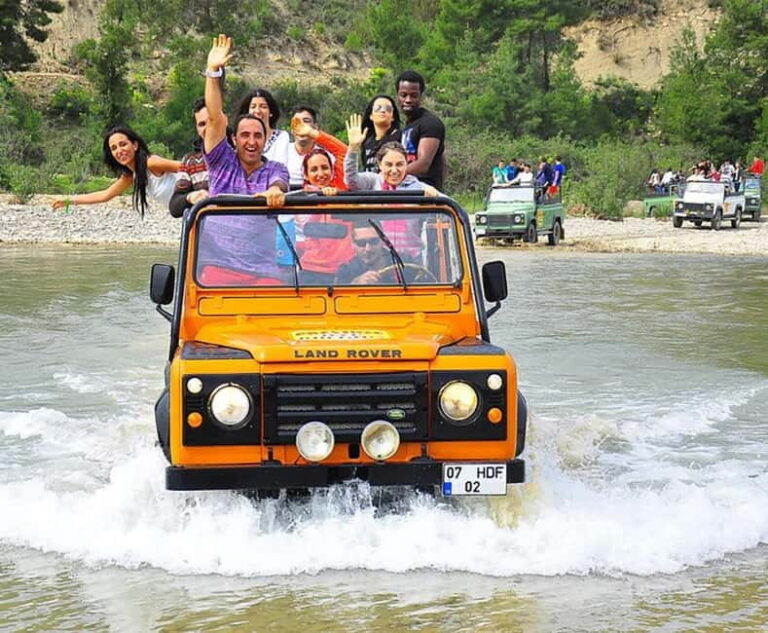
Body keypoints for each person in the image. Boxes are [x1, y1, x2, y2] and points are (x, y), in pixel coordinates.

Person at [199, 34, 289, 286]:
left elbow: (279, 183)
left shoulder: (274, 167)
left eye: (258, 136)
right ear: (234, 139)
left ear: (265, 139)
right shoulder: (221, 162)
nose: (251, 141)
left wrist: (273, 191)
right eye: (245, 135)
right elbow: (215, 117)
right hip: (219, 265)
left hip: (264, 270)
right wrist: (213, 71)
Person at [51, 127, 180, 216]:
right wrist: (68, 201)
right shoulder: (132, 176)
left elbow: (189, 167)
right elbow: (104, 195)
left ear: (134, 145)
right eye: (114, 148)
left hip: (197, 205)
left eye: (123, 144)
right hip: (187, 213)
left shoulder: (151, 163)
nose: (119, 151)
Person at [396, 70, 446, 190]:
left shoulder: (430, 123)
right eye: (403, 95)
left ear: (421, 97)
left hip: (424, 194)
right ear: (397, 95)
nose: (408, 100)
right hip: (404, 188)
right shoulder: (407, 126)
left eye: (414, 95)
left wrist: (390, 175)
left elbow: (423, 164)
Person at [169, 98, 211, 218]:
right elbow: (175, 206)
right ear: (197, 129)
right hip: (204, 233)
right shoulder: (190, 161)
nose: (208, 128)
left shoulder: (239, 154)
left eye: (211, 121)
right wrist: (191, 197)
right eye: (202, 124)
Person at [233, 87, 290, 165]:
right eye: (253, 107)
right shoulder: (238, 136)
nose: (257, 111)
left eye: (263, 107)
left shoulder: (281, 137)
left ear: (271, 112)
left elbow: (280, 167)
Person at [360, 94, 401, 173]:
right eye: (377, 108)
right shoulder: (367, 142)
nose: (383, 111)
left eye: (388, 109)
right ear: (371, 115)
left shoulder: (399, 137)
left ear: (393, 117)